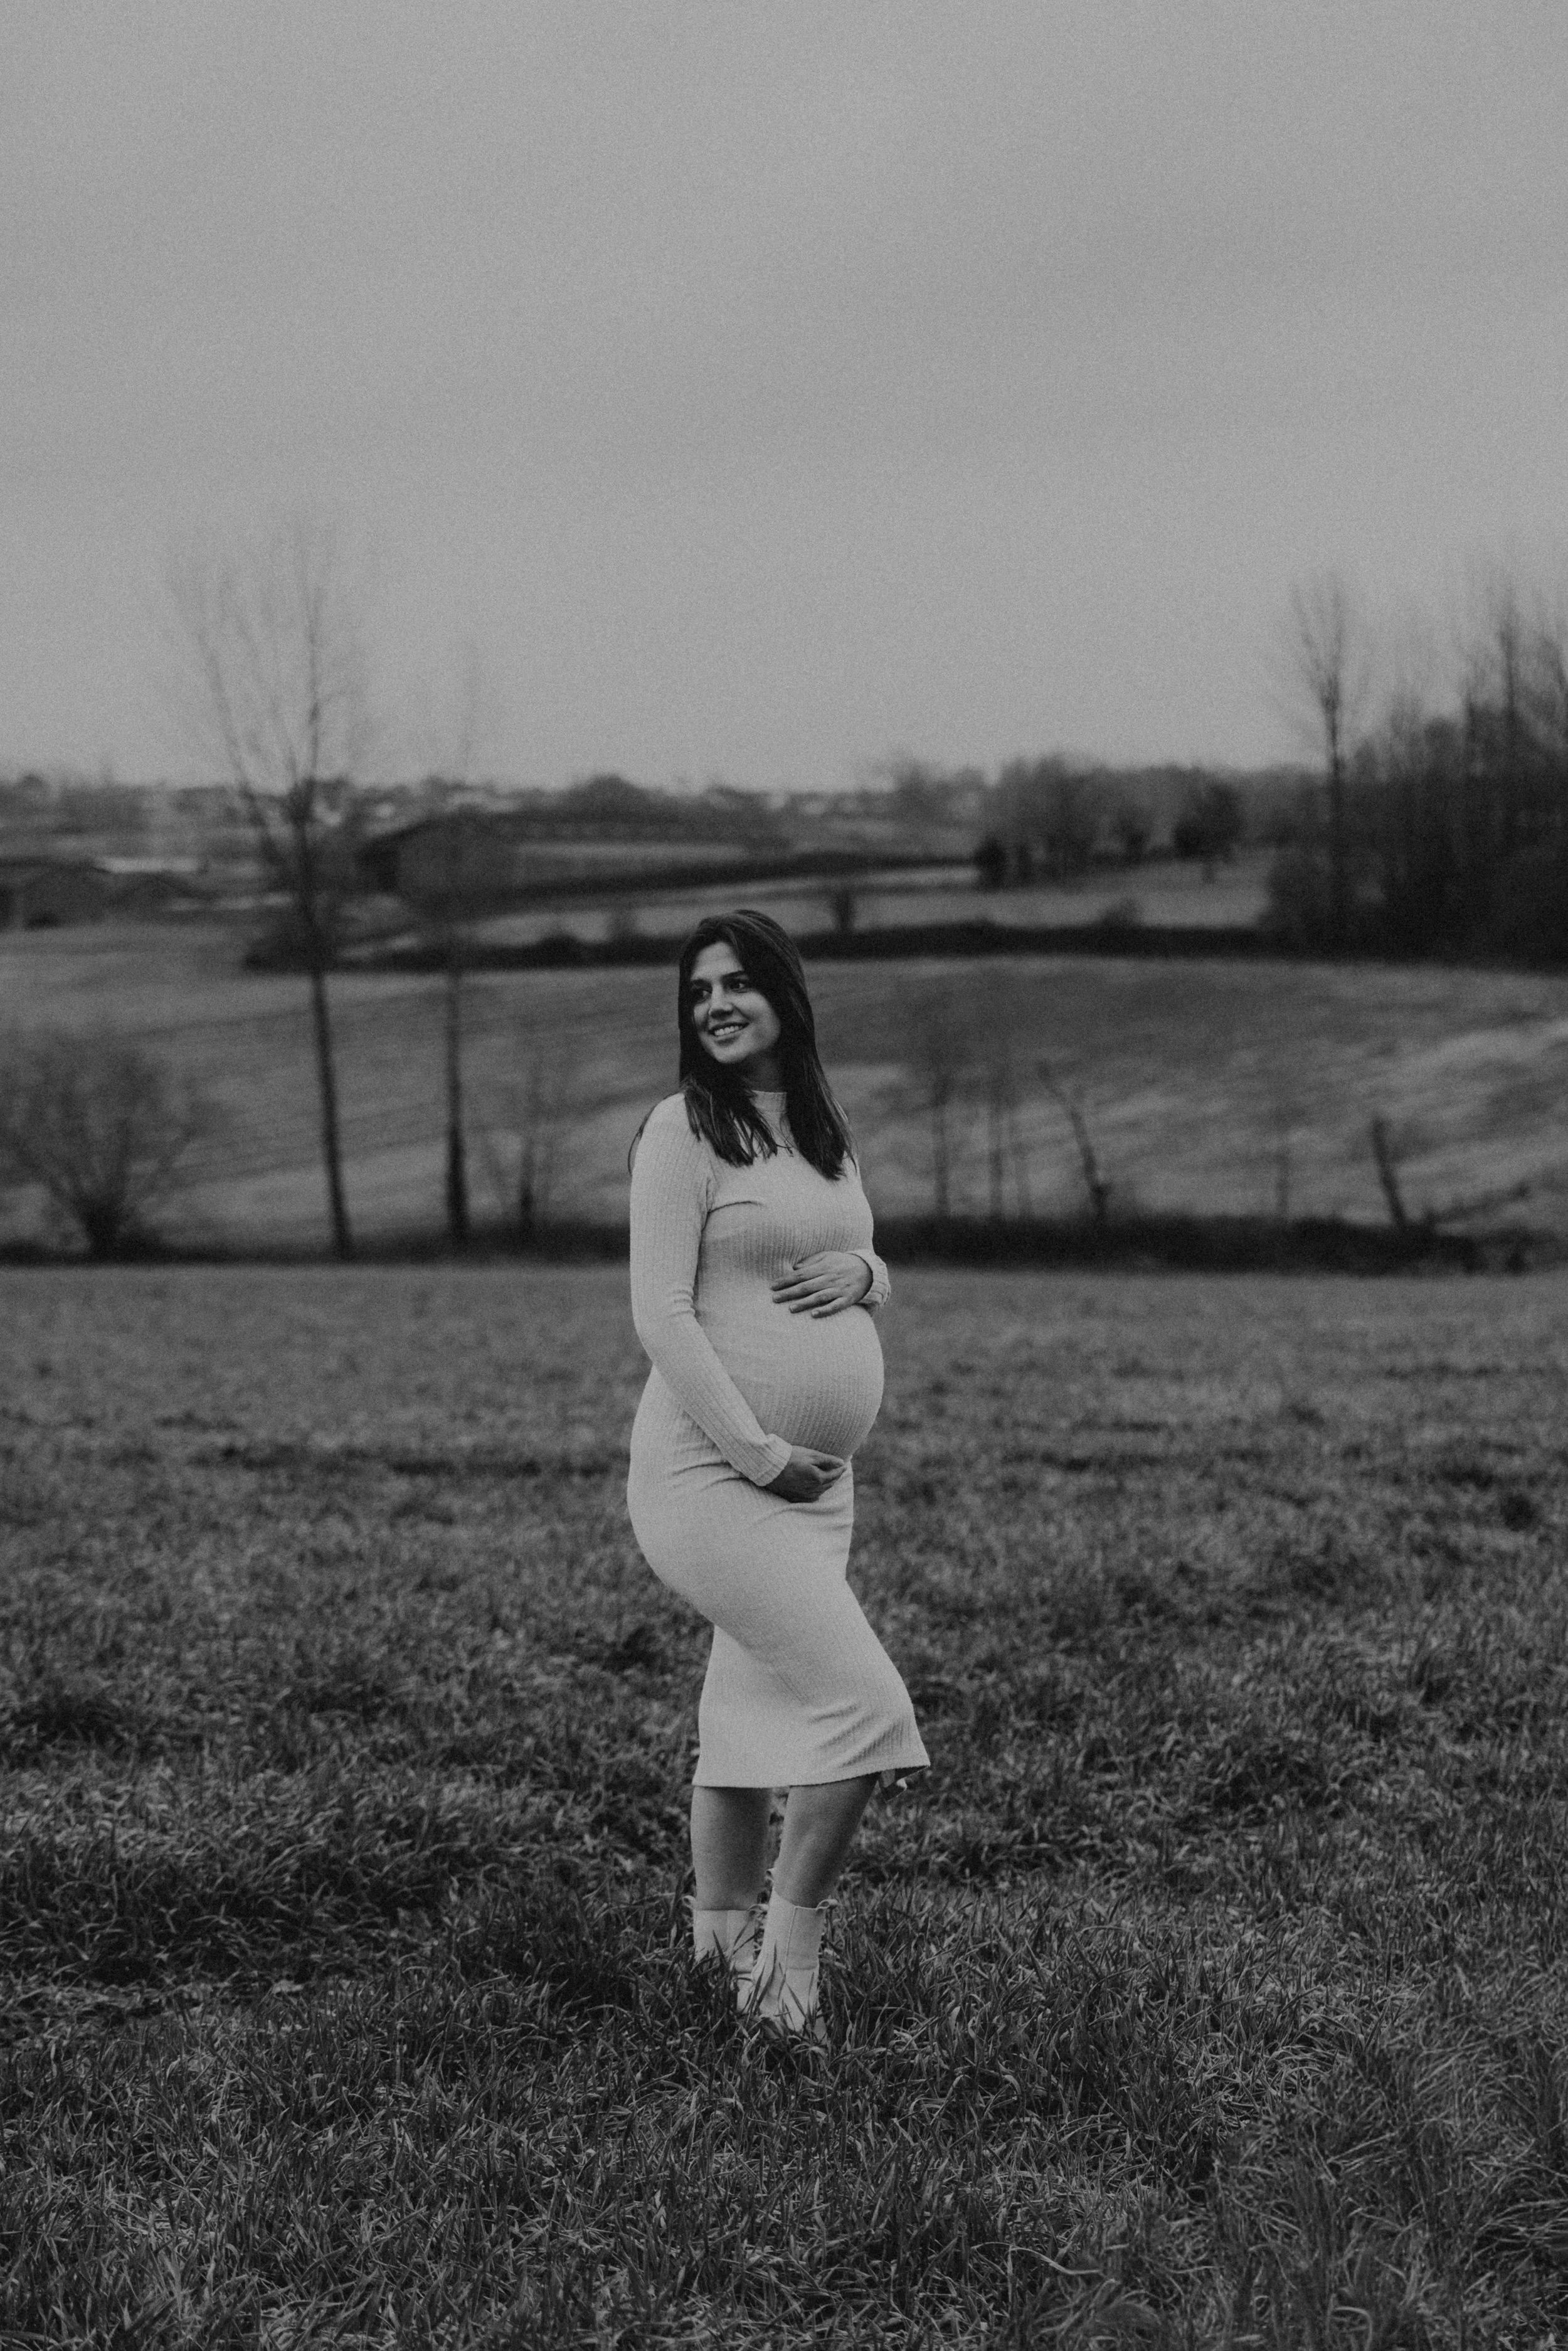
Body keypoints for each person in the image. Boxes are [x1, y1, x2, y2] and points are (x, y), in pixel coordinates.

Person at [627, 909, 928, 2042]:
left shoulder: (818, 1127)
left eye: (738, 983)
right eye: (698, 988)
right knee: (864, 1710)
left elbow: (853, 1244)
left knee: (749, 1718)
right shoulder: (681, 1130)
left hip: (816, 1486)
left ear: (783, 997)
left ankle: (714, 1958)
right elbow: (660, 1315)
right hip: (714, 1478)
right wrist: (758, 1453)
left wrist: (868, 1272)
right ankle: (789, 1968)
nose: (715, 1004)